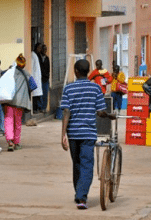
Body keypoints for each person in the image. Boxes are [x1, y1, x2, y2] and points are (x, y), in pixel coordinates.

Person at [60, 59, 115, 210]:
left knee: (77, 163)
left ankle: (79, 194)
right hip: (89, 133)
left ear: (76, 71)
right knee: (87, 164)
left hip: (73, 133)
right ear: (88, 71)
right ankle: (81, 197)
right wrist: (109, 116)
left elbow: (66, 112)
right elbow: (100, 112)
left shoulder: (68, 89)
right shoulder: (96, 89)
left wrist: (63, 134)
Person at [4, 54, 32, 151]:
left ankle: (10, 142)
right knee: (18, 122)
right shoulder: (26, 74)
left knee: (8, 120)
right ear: (23, 65)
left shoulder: (9, 72)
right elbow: (33, 86)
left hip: (8, 100)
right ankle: (17, 142)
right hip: (20, 102)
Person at [30, 43, 44, 112]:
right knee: (35, 94)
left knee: (37, 94)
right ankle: (35, 109)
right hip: (34, 78)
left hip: (37, 78)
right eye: (39, 48)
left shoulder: (36, 55)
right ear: (36, 47)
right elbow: (32, 67)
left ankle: (38, 108)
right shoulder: (32, 55)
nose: (40, 49)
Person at [39, 44, 51, 112]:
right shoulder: (39, 58)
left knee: (45, 94)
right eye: (43, 49)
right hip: (40, 78)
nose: (44, 51)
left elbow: (48, 68)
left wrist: (47, 76)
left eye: (45, 49)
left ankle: (44, 107)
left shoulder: (47, 58)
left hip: (45, 79)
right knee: (40, 94)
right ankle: (40, 107)